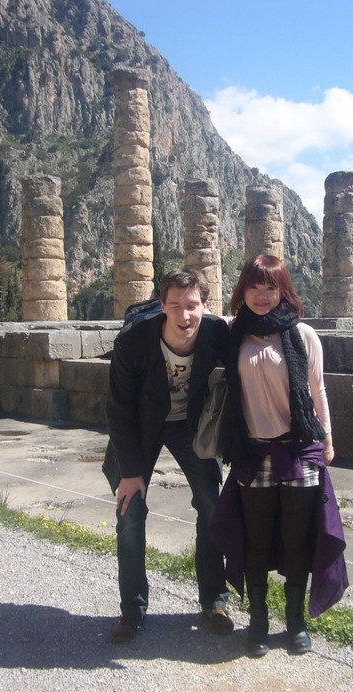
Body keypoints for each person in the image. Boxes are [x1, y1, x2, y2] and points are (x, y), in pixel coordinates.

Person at [210, 254, 348, 658]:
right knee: (255, 539)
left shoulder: (303, 335)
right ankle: (258, 621)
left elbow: (317, 389)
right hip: (252, 450)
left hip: (299, 448)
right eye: (254, 286)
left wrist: (328, 439)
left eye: (270, 287)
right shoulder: (233, 334)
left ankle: (295, 621)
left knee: (297, 539)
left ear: (283, 290)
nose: (262, 295)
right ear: (242, 292)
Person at [102, 268, 232, 642]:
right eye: (175, 305)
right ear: (162, 306)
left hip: (190, 426)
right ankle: (132, 609)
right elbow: (118, 409)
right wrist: (130, 471)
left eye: (192, 305)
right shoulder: (133, 341)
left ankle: (214, 601)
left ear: (206, 307)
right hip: (142, 425)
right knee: (130, 511)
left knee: (211, 504)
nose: (184, 314)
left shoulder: (215, 334)